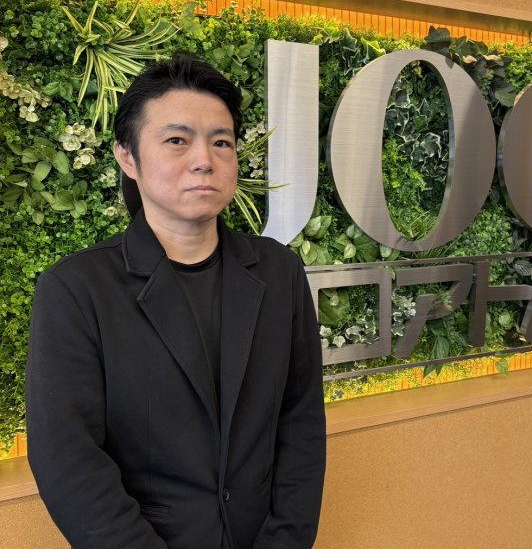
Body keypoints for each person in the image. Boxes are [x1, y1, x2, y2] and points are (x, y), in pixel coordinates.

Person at [26, 53, 326, 549]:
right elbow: (68, 459)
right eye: (177, 140)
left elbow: (301, 419)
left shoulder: (279, 272)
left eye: (221, 142)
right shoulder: (77, 289)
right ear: (128, 157)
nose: (204, 159)